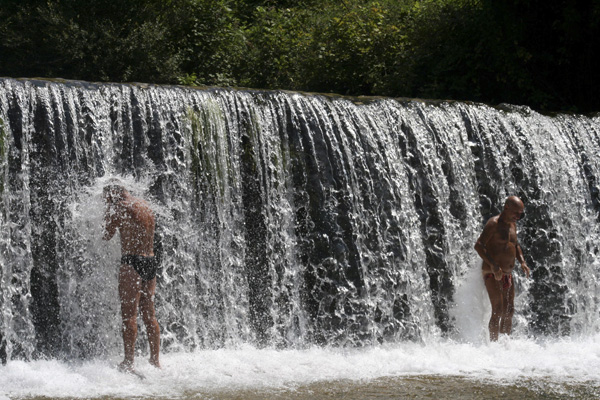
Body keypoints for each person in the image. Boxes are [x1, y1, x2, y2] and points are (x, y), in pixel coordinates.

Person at [102, 183, 161, 372]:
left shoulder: (119, 207)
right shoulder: (145, 205)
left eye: (106, 199)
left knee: (129, 317)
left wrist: (105, 214)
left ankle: (128, 362)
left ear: (113, 195)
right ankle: (155, 361)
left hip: (132, 263)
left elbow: (106, 235)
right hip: (150, 261)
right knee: (150, 316)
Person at [474, 196, 531, 341]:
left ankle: (504, 344)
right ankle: (493, 345)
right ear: (506, 208)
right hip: (492, 272)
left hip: (507, 274)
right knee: (498, 310)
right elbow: (479, 245)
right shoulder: (493, 224)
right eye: (516, 213)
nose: (519, 217)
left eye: (521, 214)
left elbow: (515, 245)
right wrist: (493, 265)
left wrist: (522, 262)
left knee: (509, 311)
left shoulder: (513, 224)